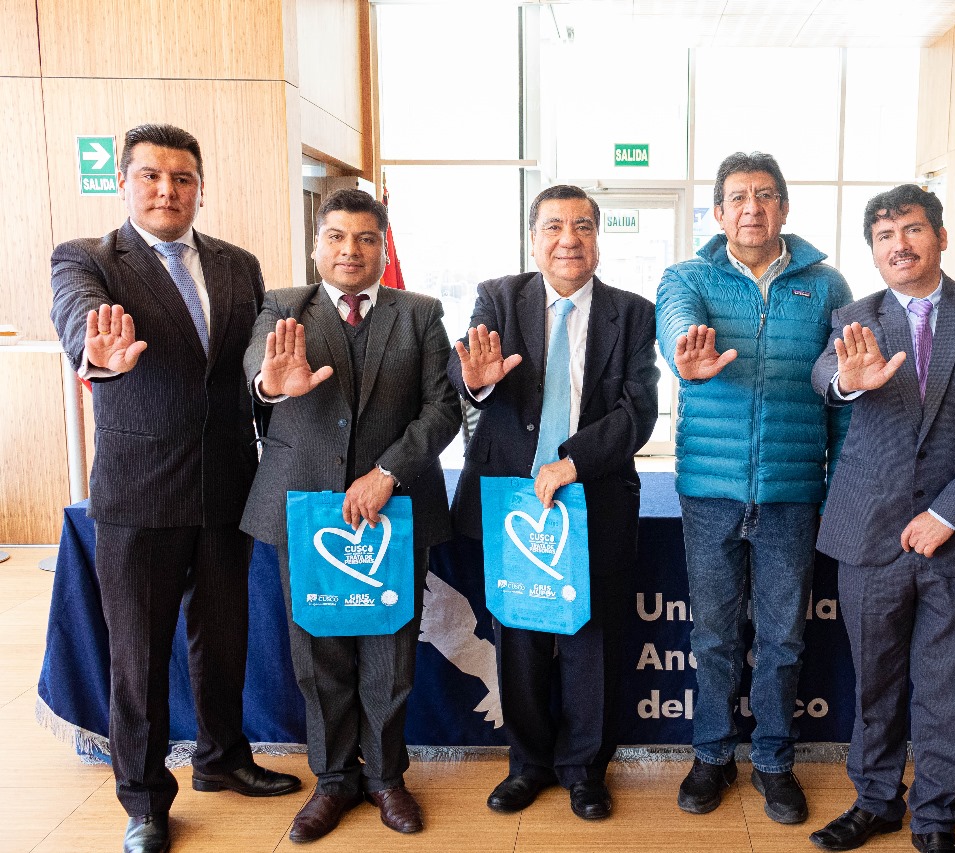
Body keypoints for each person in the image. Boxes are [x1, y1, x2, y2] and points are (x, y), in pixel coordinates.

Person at [48, 123, 300, 853]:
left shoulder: (237, 265)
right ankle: (145, 797)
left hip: (227, 487)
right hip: (138, 498)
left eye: (182, 178)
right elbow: (76, 317)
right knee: (139, 655)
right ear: (124, 183)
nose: (168, 190)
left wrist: (268, 387)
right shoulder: (89, 260)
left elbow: (254, 362)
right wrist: (93, 353)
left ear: (199, 187)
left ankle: (223, 760)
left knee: (223, 643)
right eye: (152, 176)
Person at [807, 185, 955, 853]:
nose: (898, 244)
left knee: (946, 686)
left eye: (911, 229)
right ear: (873, 250)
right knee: (874, 681)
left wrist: (948, 514)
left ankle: (935, 818)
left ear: (938, 235)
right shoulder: (857, 315)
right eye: (884, 235)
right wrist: (852, 383)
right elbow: (825, 375)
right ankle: (875, 800)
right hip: (869, 535)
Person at [240, 188, 461, 842]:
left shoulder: (420, 312)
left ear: (383, 247)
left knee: (391, 653)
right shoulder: (284, 306)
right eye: (336, 237)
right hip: (305, 507)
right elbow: (259, 364)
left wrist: (387, 470)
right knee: (318, 654)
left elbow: (442, 407)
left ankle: (387, 776)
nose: (350, 250)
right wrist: (269, 384)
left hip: (394, 508)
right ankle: (333, 778)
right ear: (317, 246)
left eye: (366, 238)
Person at [447, 184, 659, 821]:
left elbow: (637, 410)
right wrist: (476, 386)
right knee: (520, 640)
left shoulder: (633, 312)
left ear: (598, 239)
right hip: (514, 502)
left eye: (583, 226)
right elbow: (468, 374)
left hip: (592, 500)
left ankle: (586, 769)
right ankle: (530, 763)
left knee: (593, 642)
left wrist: (575, 462)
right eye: (554, 226)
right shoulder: (499, 298)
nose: (569, 238)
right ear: (532, 238)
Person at [656, 151, 852, 825]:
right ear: (717, 211)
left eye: (765, 195)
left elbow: (845, 390)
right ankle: (711, 752)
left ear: (785, 208)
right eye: (737, 196)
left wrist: (846, 484)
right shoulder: (689, 276)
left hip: (793, 491)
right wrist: (687, 349)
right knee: (712, 634)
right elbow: (674, 321)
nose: (751, 207)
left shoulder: (825, 285)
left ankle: (773, 758)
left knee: (783, 638)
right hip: (710, 491)